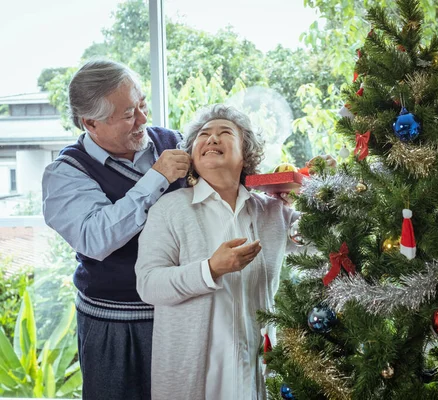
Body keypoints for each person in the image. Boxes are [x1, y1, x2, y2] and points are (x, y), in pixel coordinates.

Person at [42, 59, 190, 400]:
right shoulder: (65, 174)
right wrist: (157, 178)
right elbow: (97, 238)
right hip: (114, 326)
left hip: (183, 315)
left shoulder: (175, 142)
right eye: (128, 114)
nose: (142, 119)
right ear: (90, 122)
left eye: (141, 105)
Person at [135, 104, 301, 400]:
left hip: (258, 377)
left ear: (245, 154)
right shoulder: (169, 210)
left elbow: (325, 238)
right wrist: (210, 269)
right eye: (203, 134)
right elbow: (148, 285)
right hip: (197, 381)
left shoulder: (273, 211)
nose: (211, 139)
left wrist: (313, 189)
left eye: (225, 133)